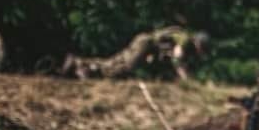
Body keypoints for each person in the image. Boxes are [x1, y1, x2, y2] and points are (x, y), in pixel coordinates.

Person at [60, 26, 209, 80]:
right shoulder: (185, 39)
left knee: (118, 61)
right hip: (146, 43)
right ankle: (82, 65)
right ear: (197, 42)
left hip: (146, 43)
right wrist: (186, 79)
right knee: (125, 66)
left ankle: (83, 65)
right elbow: (177, 57)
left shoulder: (181, 35)